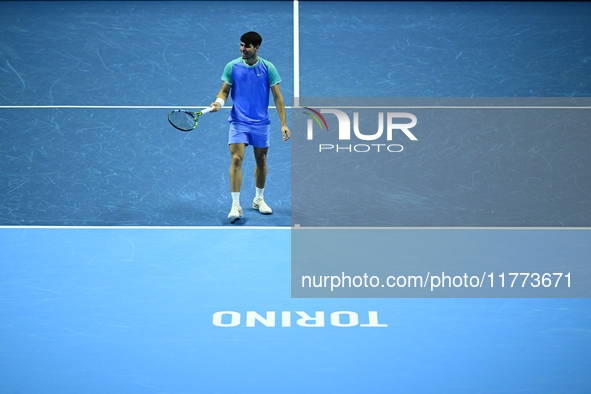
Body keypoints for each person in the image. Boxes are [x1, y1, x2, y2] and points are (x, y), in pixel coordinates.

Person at [210, 31, 290, 222]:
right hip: (239, 121)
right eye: (241, 45)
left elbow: (278, 97)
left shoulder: (268, 68)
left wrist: (284, 124)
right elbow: (224, 90)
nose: (242, 49)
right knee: (236, 159)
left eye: (246, 46)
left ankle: (258, 199)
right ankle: (235, 204)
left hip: (261, 123)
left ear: (257, 48)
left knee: (261, 160)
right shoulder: (232, 66)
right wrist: (219, 102)